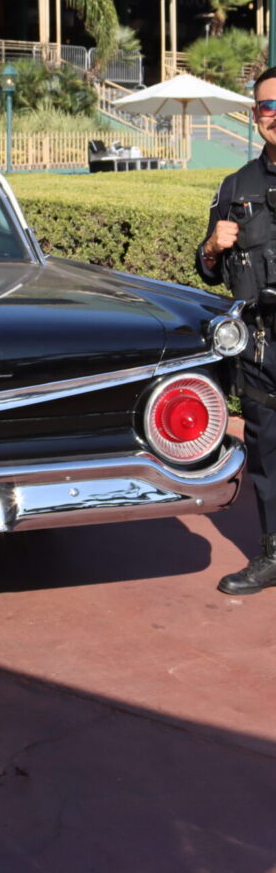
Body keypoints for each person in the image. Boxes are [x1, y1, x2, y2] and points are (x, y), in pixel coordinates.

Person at [197, 66, 276, 594]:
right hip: (262, 346)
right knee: (267, 456)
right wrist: (214, 246)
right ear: (255, 117)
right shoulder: (236, 186)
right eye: (268, 107)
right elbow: (204, 267)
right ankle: (272, 554)